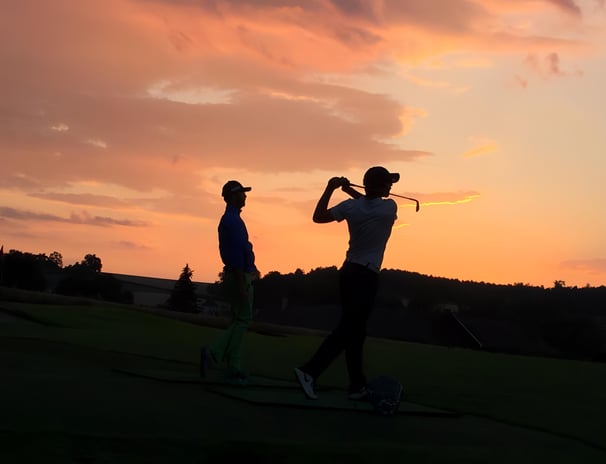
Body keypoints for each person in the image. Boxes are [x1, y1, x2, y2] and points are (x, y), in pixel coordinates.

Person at [294, 166, 399, 400]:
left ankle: (356, 385)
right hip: (366, 276)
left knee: (356, 331)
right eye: (388, 183)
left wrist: (332, 188)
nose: (391, 187)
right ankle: (309, 371)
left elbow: (318, 216)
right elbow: (368, 202)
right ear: (380, 186)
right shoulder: (389, 208)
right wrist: (348, 190)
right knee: (349, 329)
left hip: (348, 272)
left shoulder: (351, 208)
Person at [200, 180, 259, 385]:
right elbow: (236, 255)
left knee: (238, 321)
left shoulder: (231, 219)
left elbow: (242, 251)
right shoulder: (232, 221)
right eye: (242, 193)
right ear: (234, 196)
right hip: (239, 276)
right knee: (243, 320)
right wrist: (243, 282)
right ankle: (214, 352)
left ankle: (233, 366)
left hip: (238, 275)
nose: (245, 196)